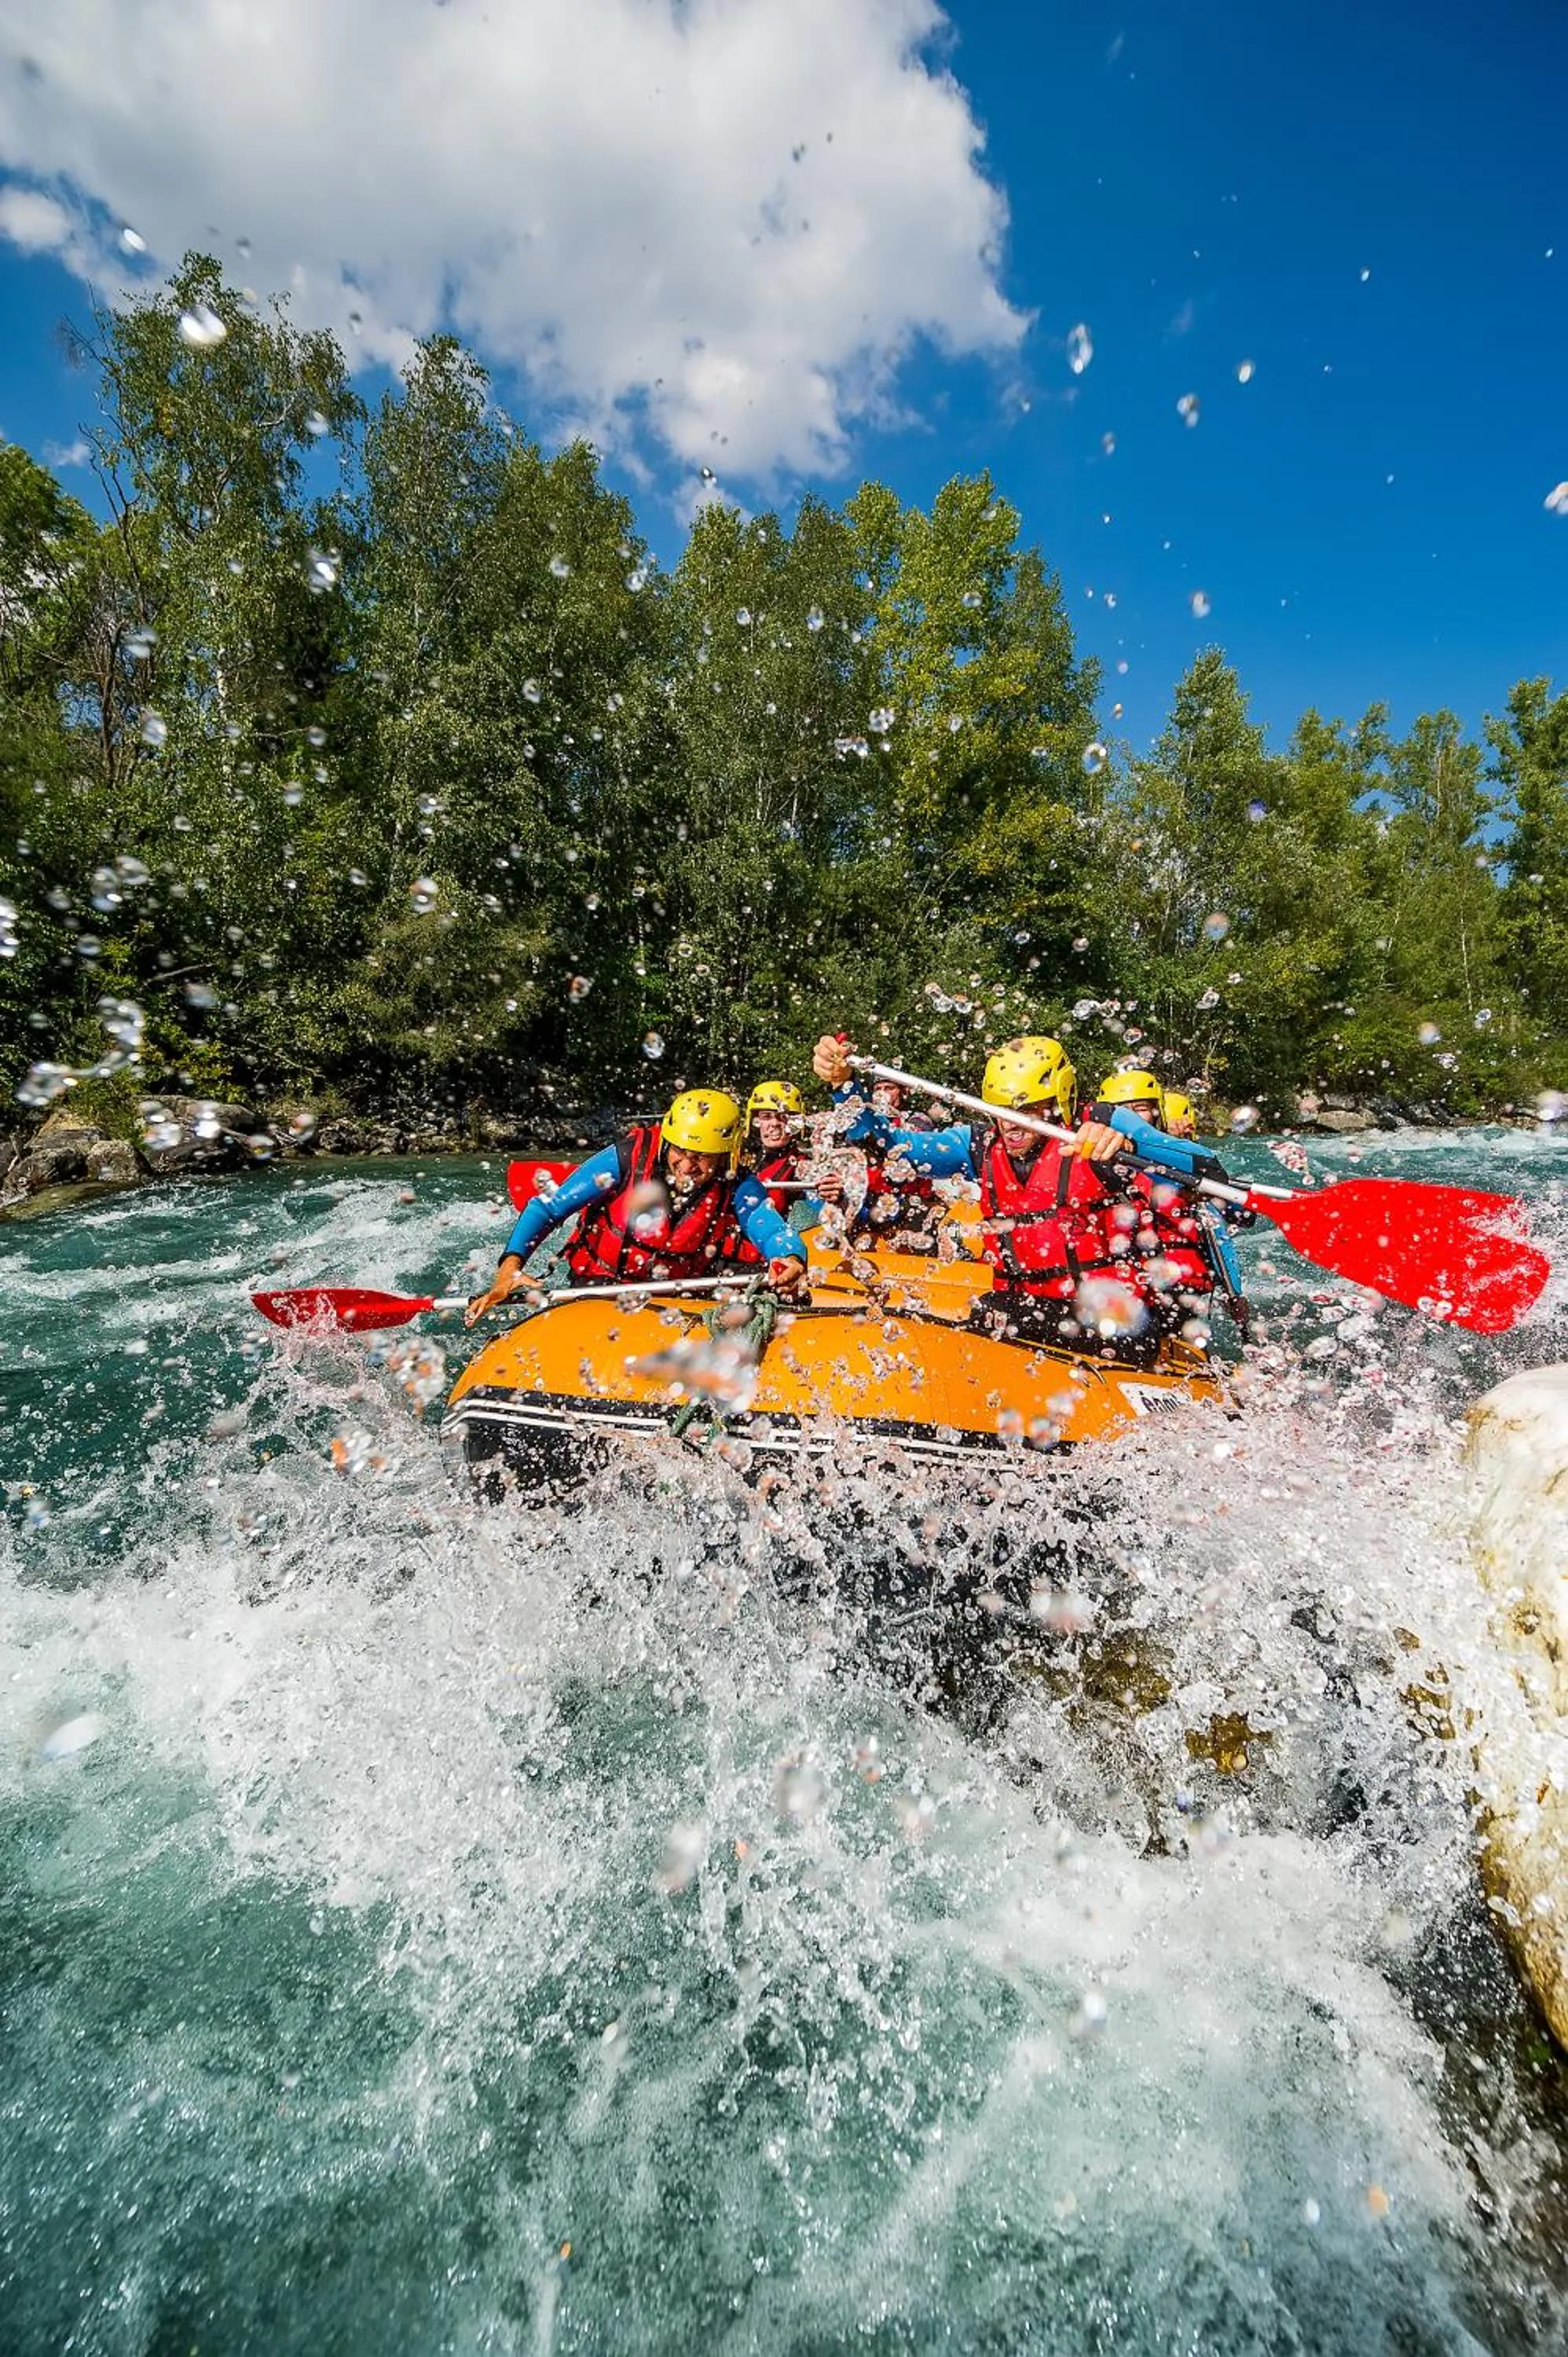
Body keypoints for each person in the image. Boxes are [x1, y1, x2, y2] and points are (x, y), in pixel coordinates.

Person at [811, 1031, 1183, 1356]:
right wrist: (845, 1086)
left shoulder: (1104, 1131)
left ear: (1059, 1103)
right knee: (990, 1314)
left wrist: (1132, 1150)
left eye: (1028, 1111)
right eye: (1001, 1110)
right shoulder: (979, 1145)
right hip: (1025, 1309)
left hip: (1114, 1321)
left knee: (1003, 1317)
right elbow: (888, 1144)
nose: (1011, 1125)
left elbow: (1204, 1169)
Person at [467, 1087, 807, 1322]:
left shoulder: (738, 1183)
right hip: (603, 1281)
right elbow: (548, 1208)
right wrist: (510, 1268)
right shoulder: (627, 1159)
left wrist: (790, 1258)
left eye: (702, 1158)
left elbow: (771, 1226)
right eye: (680, 1152)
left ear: (726, 1156)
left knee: (786, 1294)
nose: (687, 1166)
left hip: (681, 1287)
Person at [1089, 1069, 1252, 1337]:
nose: (1130, 1118)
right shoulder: (1092, 1166)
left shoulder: (1183, 1164)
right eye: (1121, 1110)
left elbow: (1228, 1227)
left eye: (1140, 1108)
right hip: (1120, 1291)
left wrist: (1235, 1292)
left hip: (1177, 1292)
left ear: (1157, 1112)